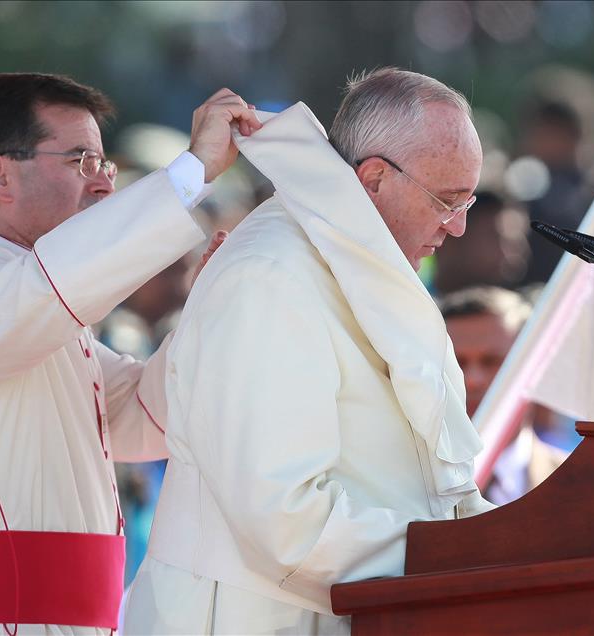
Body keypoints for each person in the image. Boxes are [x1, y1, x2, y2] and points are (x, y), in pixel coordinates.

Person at [124, 68, 493, 635]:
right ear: (374, 179)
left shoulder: (363, 265)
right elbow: (283, 519)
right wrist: (460, 554)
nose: (459, 227)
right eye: (446, 201)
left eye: (467, 202)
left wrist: (507, 542)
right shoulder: (269, 274)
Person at [0, 72, 260, 635]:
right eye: (82, 161)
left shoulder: (34, 303)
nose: (104, 184)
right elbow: (53, 285)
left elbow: (145, 418)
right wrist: (194, 172)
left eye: (104, 164)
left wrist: (211, 308)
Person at [440, 286, 567, 505]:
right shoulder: (398, 490)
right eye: (455, 362)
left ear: (536, 366)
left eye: (492, 361)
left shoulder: (581, 486)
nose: (473, 380)